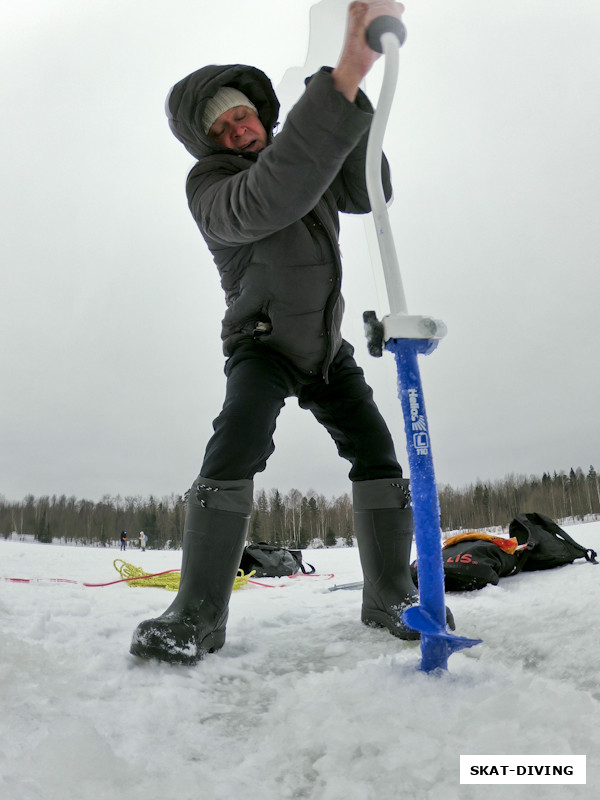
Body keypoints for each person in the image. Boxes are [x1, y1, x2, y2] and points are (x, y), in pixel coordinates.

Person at [131, 0, 453, 664]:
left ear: (260, 114)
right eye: (220, 126)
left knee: (378, 457)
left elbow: (370, 188)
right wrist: (334, 85)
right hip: (263, 342)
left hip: (326, 349)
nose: (236, 130)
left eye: (242, 114)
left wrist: (347, 98)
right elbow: (272, 197)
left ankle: (391, 595)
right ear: (208, 142)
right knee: (235, 451)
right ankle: (196, 615)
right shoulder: (212, 188)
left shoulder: (297, 155)